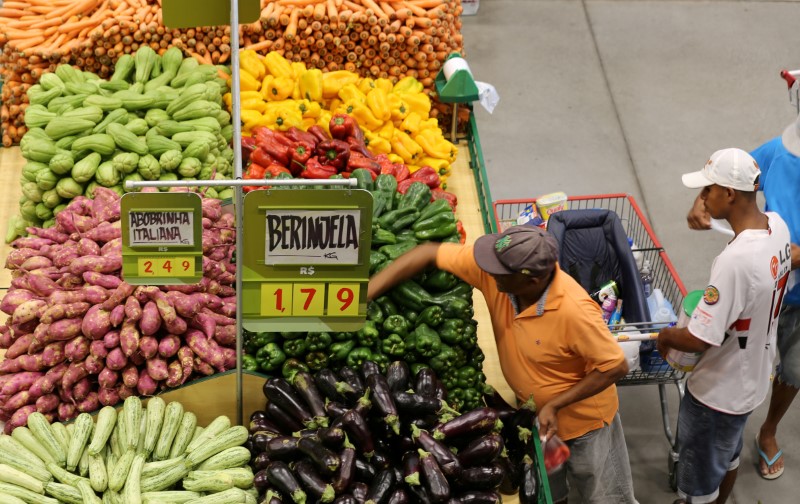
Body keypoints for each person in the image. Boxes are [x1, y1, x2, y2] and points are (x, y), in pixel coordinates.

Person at [367, 225, 637, 503]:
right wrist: (365, 294)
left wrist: (556, 404)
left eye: (499, 270)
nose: (488, 271)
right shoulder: (503, 277)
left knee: (605, 494)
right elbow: (427, 252)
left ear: (530, 279)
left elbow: (614, 366)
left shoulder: (575, 311)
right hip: (536, 420)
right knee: (548, 490)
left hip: (585, 425)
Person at [659, 147, 792, 504]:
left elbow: (700, 337)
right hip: (750, 381)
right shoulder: (776, 226)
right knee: (728, 456)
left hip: (716, 394)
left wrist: (666, 334)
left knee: (697, 483)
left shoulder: (735, 261)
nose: (702, 198)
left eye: (708, 190)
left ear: (729, 194)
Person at [687, 117, 800, 480]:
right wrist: (702, 200)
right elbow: (737, 174)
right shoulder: (782, 151)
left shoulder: (736, 260)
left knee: (795, 370)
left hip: (786, 281)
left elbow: (701, 336)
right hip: (768, 281)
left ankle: (767, 431)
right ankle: (734, 437)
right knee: (751, 352)